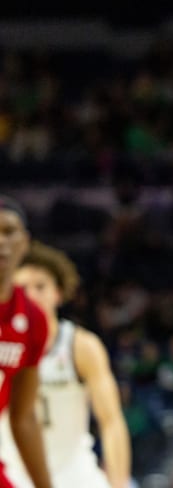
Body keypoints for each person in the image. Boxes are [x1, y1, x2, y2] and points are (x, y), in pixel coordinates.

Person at [0, 241, 131, 488]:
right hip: (14, 475)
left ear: (58, 293)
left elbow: (111, 421)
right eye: (22, 287)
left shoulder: (81, 346)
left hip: (75, 475)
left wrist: (119, 483)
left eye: (40, 286)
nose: (32, 295)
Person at [0, 195, 52, 488]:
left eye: (9, 232)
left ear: (25, 241)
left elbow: (23, 418)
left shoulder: (33, 319)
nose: (1, 242)